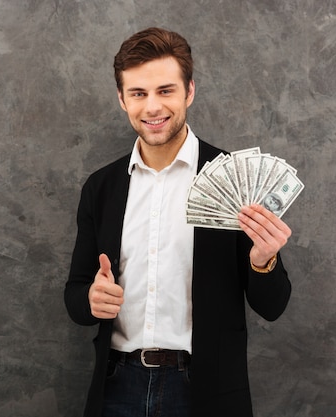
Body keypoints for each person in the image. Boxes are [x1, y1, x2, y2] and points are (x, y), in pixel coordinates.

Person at [64, 27, 292, 417]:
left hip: (205, 390)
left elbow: (272, 306)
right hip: (117, 387)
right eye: (138, 93)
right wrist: (90, 299)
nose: (152, 107)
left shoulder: (233, 180)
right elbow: (76, 294)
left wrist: (263, 261)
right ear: (122, 99)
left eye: (165, 90)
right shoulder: (101, 188)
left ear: (189, 91)